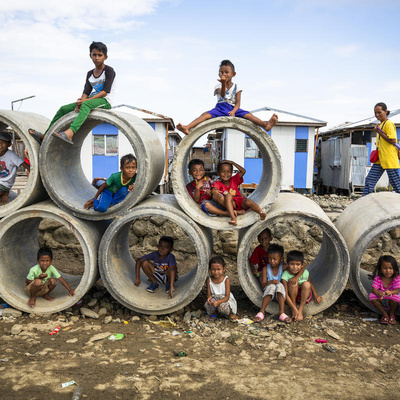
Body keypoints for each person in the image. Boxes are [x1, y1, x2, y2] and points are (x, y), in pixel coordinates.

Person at [28, 41, 116, 145]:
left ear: (105, 57)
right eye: (94, 55)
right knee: (63, 109)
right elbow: (86, 91)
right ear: (90, 56)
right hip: (91, 100)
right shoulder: (90, 73)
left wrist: (85, 101)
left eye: (100, 55)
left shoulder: (109, 71)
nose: (97, 58)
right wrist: (80, 102)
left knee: (86, 104)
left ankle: (70, 132)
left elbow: (105, 92)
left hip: (104, 101)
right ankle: (46, 136)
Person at [177, 60, 278, 135]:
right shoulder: (218, 85)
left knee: (249, 115)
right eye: (222, 72)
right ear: (218, 74)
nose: (224, 74)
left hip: (233, 108)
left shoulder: (237, 87)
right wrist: (223, 84)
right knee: (204, 115)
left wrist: (234, 111)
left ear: (233, 74)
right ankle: (188, 127)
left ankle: (265, 124)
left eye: (226, 72)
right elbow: (222, 95)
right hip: (220, 108)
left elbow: (238, 103)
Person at [254, 244, 306, 323]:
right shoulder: (266, 269)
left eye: (275, 259)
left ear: (281, 259)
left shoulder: (284, 267)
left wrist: (296, 277)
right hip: (269, 292)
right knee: (271, 286)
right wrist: (271, 282)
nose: (272, 261)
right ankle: (261, 311)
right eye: (270, 259)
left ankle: (281, 313)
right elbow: (263, 284)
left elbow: (302, 268)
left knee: (280, 285)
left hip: (280, 294)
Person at [211, 160, 266, 226]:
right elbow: (214, 189)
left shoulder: (234, 179)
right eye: (223, 172)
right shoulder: (218, 183)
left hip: (240, 202)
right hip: (230, 204)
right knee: (228, 196)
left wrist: (233, 163)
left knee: (248, 201)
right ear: (218, 173)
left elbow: (243, 171)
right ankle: (233, 218)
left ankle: (260, 212)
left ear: (231, 173)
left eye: (228, 172)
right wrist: (214, 191)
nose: (226, 174)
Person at [363, 102, 400, 196]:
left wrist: (379, 132)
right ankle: (363, 201)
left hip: (389, 159)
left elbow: (392, 140)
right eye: (375, 113)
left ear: (385, 111)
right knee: (369, 180)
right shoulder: (381, 125)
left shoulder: (389, 124)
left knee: (396, 184)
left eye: (379, 112)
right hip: (380, 159)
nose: (377, 115)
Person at [281, 250, 322, 321]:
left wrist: (316, 295)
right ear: (287, 264)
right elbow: (285, 293)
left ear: (302, 265)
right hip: (292, 297)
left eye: (297, 264)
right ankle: (294, 307)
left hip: (303, 297)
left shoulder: (305, 273)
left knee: (307, 284)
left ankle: (300, 310)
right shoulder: (285, 275)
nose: (295, 267)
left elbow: (310, 283)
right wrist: (294, 309)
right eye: (292, 264)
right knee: (293, 283)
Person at [0, 132, 30, 205]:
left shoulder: (12, 156)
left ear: (9, 144)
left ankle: (5, 194)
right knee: (3, 204)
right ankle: (4, 197)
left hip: (5, 183)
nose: (0, 145)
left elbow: (26, 166)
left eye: (4, 142)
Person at [369, 255, 400, 325]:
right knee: (371, 296)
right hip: (381, 297)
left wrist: (391, 292)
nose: (388, 271)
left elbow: (397, 291)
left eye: (390, 268)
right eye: (385, 268)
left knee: (396, 298)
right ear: (380, 268)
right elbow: (374, 289)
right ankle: (384, 314)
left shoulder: (396, 277)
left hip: (390, 296)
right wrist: (378, 293)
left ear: (394, 269)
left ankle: (392, 314)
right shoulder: (378, 277)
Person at [204, 256, 237, 320]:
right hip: (215, 299)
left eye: (218, 269)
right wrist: (209, 299)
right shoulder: (209, 280)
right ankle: (216, 312)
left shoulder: (226, 280)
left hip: (224, 300)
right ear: (210, 269)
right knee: (209, 304)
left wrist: (218, 302)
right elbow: (209, 295)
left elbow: (227, 297)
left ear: (223, 269)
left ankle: (229, 313)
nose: (216, 272)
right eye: (213, 269)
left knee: (222, 307)